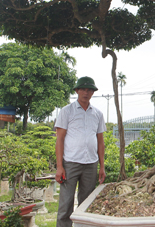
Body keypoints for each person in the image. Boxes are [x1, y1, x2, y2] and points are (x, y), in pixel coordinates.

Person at [55, 76, 106, 227]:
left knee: (86, 205)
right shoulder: (67, 112)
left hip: (91, 164)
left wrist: (101, 166)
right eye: (83, 89)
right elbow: (59, 139)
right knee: (65, 204)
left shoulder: (97, 114)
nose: (86, 92)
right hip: (70, 163)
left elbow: (100, 142)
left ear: (93, 92)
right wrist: (59, 166)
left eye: (89, 89)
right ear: (77, 91)